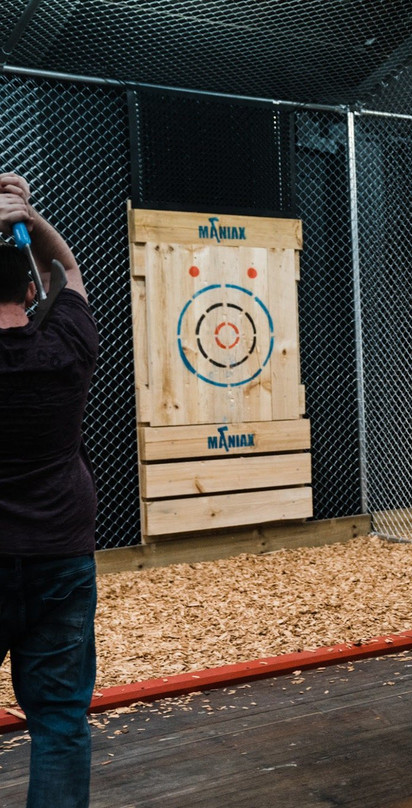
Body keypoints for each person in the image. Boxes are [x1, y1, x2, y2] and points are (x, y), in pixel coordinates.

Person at [0, 172, 99, 807]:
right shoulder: (66, 344)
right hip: (60, 556)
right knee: (60, 722)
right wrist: (26, 219)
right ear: (32, 289)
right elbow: (75, 274)